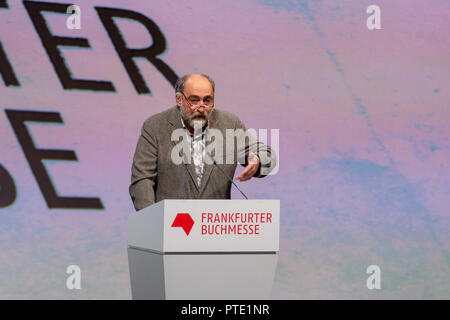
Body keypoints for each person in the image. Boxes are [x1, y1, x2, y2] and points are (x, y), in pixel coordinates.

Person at [129, 73, 277, 211]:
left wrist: (256, 159)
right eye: (194, 100)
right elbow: (142, 179)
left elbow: (266, 154)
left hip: (214, 228)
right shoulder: (155, 126)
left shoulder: (229, 123)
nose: (201, 107)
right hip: (170, 227)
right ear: (179, 100)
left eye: (207, 100)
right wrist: (152, 219)